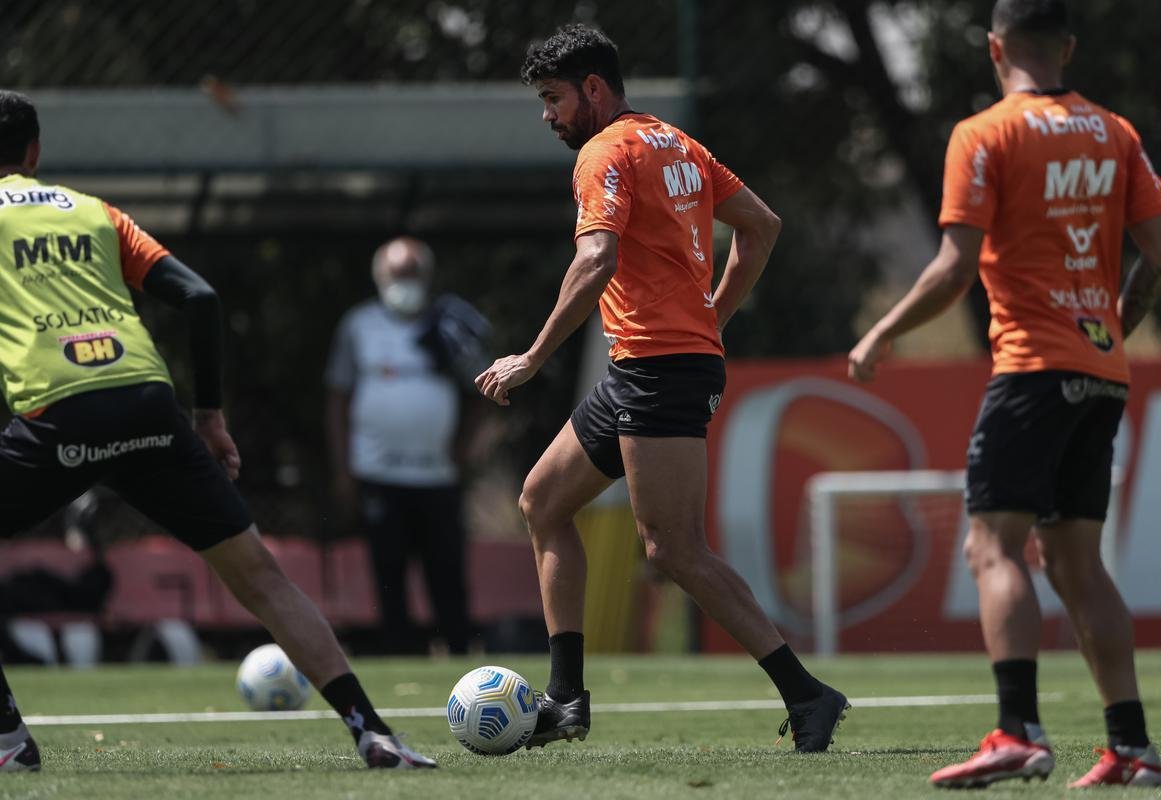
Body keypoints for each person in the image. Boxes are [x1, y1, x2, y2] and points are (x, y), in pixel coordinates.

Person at [0, 91, 436, 772]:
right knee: (260, 577)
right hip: (148, 405)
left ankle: (10, 743)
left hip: (57, 414)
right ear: (34, 151)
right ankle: (372, 732)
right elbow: (200, 298)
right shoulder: (94, 212)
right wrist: (208, 415)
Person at [475, 24, 849, 753]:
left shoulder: (604, 152)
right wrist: (712, 317)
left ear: (592, 89)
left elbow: (596, 259)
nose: (547, 115)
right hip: (643, 366)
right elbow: (761, 227)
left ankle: (808, 694)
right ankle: (566, 699)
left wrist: (533, 356)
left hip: (660, 370)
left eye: (553, 98)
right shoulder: (677, 144)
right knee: (542, 502)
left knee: (673, 549)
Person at [848, 0, 1161, 788]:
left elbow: (952, 267)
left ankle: (1016, 732)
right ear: (1067, 46)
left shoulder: (984, 133)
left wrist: (880, 331)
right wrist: (1112, 327)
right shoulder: (1114, 132)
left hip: (1031, 368)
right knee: (1077, 564)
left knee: (991, 547)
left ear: (994, 48)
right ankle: (1130, 747)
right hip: (1100, 372)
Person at [325, 237, 490, 655]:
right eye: (397, 274)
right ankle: (399, 654)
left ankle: (458, 651)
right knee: (388, 572)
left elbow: (481, 391)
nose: (405, 282)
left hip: (437, 475)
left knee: (447, 570)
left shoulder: (449, 325)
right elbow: (338, 398)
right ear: (380, 277)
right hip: (378, 474)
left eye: (413, 274)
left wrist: (464, 448)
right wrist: (343, 470)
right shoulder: (358, 326)